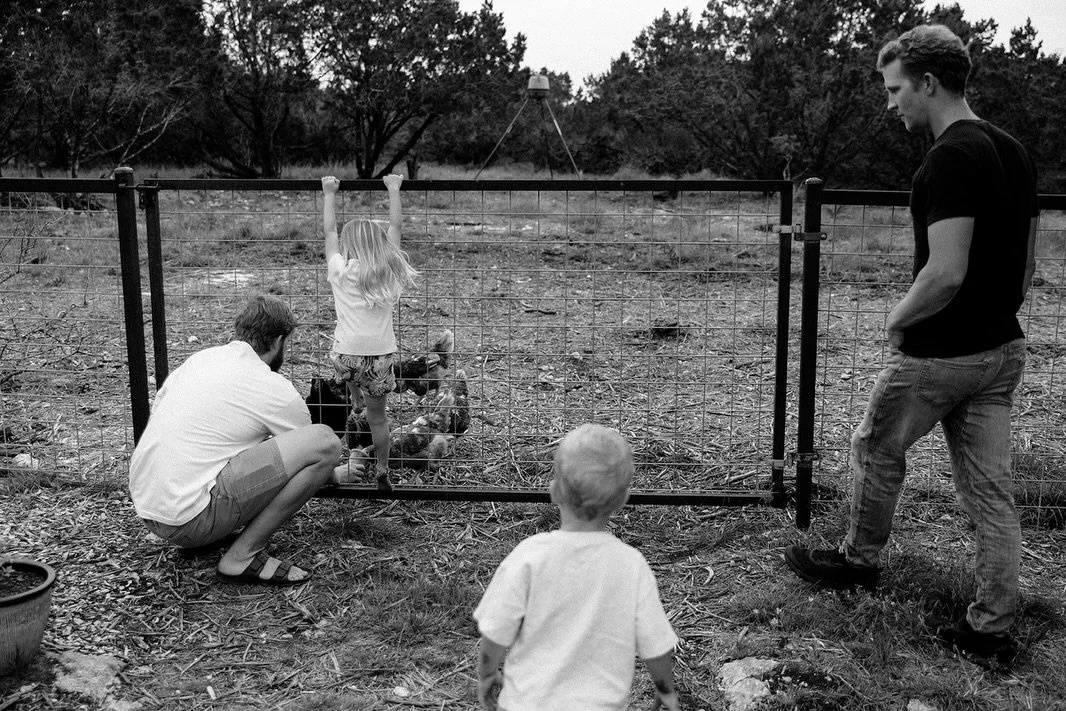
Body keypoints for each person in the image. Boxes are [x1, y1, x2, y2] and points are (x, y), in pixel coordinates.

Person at [784, 24, 1040, 671]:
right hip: (1002, 349)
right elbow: (1025, 272)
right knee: (990, 493)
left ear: (928, 83)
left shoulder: (951, 157)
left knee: (875, 445)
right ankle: (992, 627)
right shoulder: (1015, 153)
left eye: (896, 89)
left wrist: (897, 320)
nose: (890, 103)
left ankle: (859, 562)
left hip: (940, 353)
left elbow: (946, 272)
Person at [129, 294, 343, 586]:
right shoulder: (272, 387)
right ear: (279, 341)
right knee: (326, 441)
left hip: (149, 507)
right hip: (190, 519)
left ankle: (213, 528)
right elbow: (312, 452)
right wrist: (336, 476)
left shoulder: (201, 359)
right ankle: (243, 555)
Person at [473, 423, 681, 710]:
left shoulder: (529, 557)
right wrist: (666, 691)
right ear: (622, 500)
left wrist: (487, 673)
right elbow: (656, 645)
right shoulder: (631, 565)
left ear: (554, 491)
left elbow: (496, 631)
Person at [321, 174, 418, 491]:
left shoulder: (341, 270)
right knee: (379, 419)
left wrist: (328, 193)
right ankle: (382, 469)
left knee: (345, 370)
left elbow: (329, 231)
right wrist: (393, 190)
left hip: (346, 354)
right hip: (379, 355)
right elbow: (397, 229)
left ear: (351, 245)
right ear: (380, 244)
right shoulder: (388, 271)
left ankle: (354, 395)